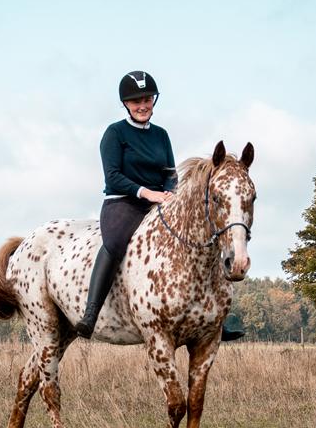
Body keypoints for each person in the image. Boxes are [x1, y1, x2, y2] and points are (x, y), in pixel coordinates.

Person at [75, 71, 243, 341]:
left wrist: (169, 192)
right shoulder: (115, 133)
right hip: (123, 202)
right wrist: (147, 193)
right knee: (115, 243)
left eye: (147, 99)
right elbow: (113, 176)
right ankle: (91, 313)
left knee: (199, 238)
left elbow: (169, 172)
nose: (142, 105)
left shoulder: (161, 135)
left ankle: (213, 319)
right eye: (135, 101)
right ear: (126, 104)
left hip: (161, 201)